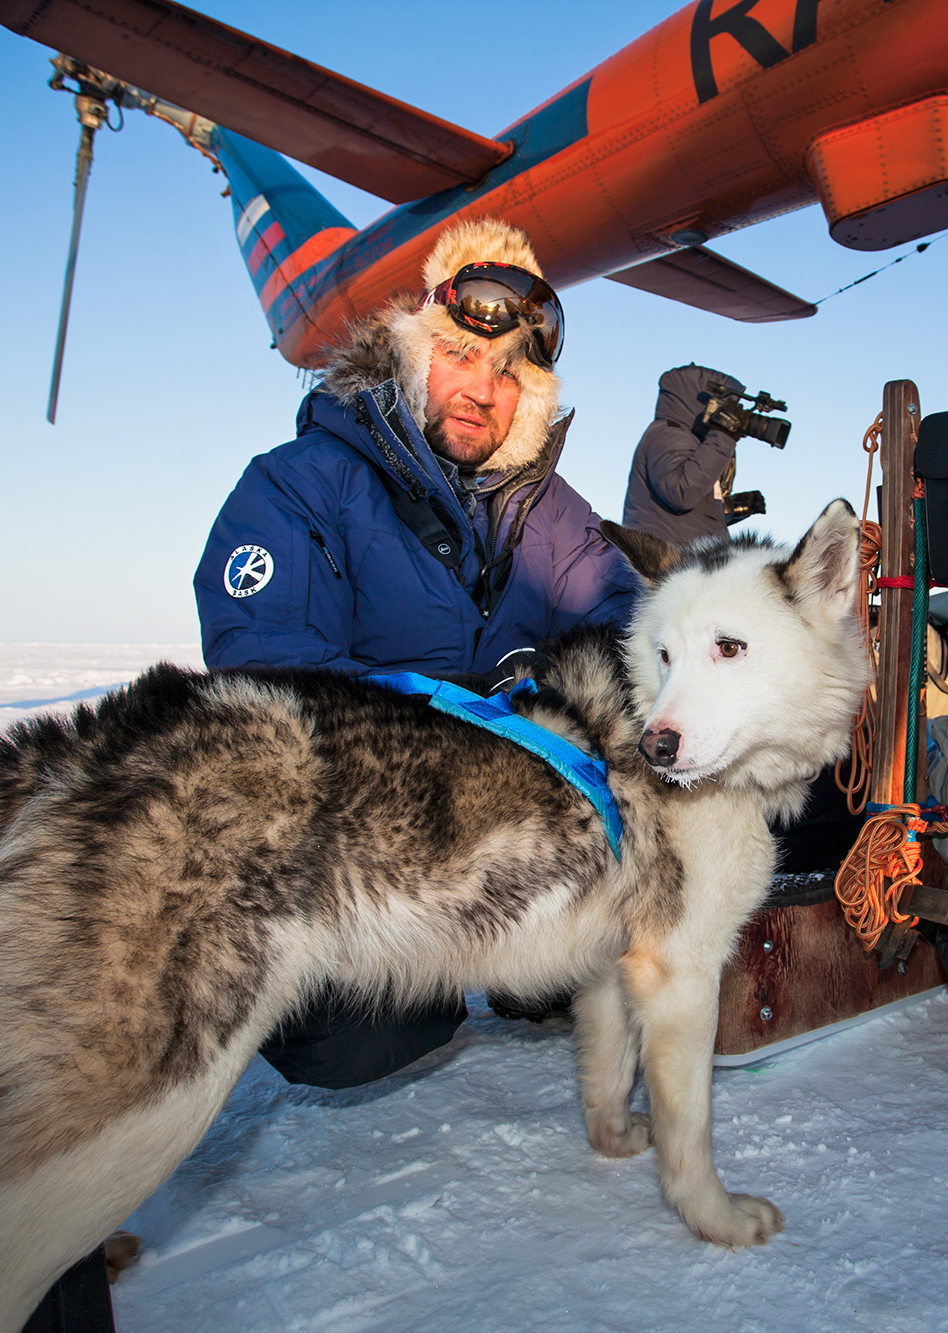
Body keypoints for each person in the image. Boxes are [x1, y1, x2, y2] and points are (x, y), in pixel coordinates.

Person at [193, 217, 643, 1089]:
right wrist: (472, 718)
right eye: (459, 357)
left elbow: (626, 626)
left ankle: (528, 959)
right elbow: (272, 678)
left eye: (510, 372)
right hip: (372, 841)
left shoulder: (553, 512)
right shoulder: (299, 485)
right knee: (353, 1040)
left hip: (513, 834)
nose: (481, 388)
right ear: (410, 354)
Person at [621, 363, 751, 545]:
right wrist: (724, 435)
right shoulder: (668, 433)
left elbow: (691, 513)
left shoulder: (692, 439)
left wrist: (733, 509)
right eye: (722, 404)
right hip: (668, 566)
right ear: (703, 403)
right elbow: (680, 492)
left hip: (686, 561)